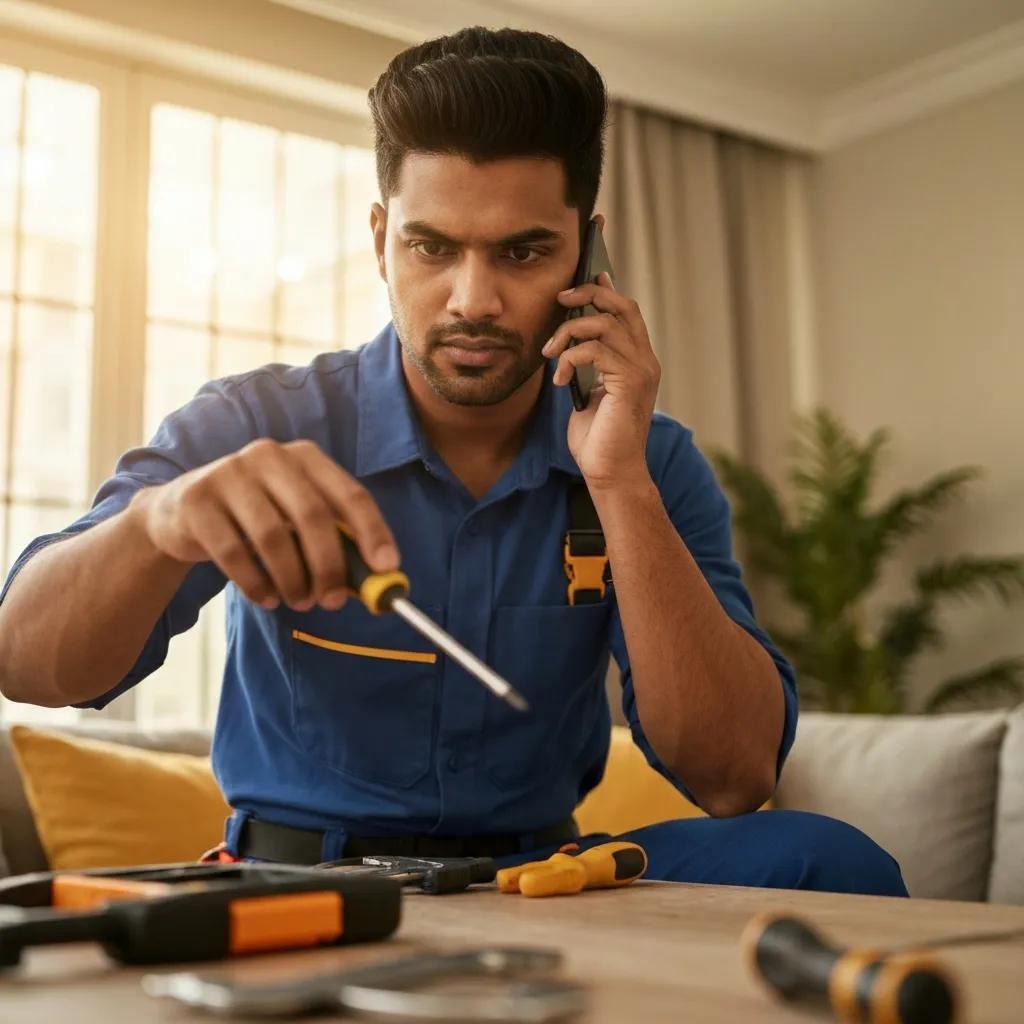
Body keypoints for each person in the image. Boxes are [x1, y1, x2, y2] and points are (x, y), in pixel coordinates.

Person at [0, 27, 905, 896]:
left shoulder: (651, 461)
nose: (473, 300)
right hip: (302, 884)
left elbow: (734, 777)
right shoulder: (252, 422)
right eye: (431, 247)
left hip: (541, 884)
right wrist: (158, 523)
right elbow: (27, 664)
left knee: (822, 857)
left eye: (524, 251)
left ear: (587, 256)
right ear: (380, 240)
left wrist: (619, 483)